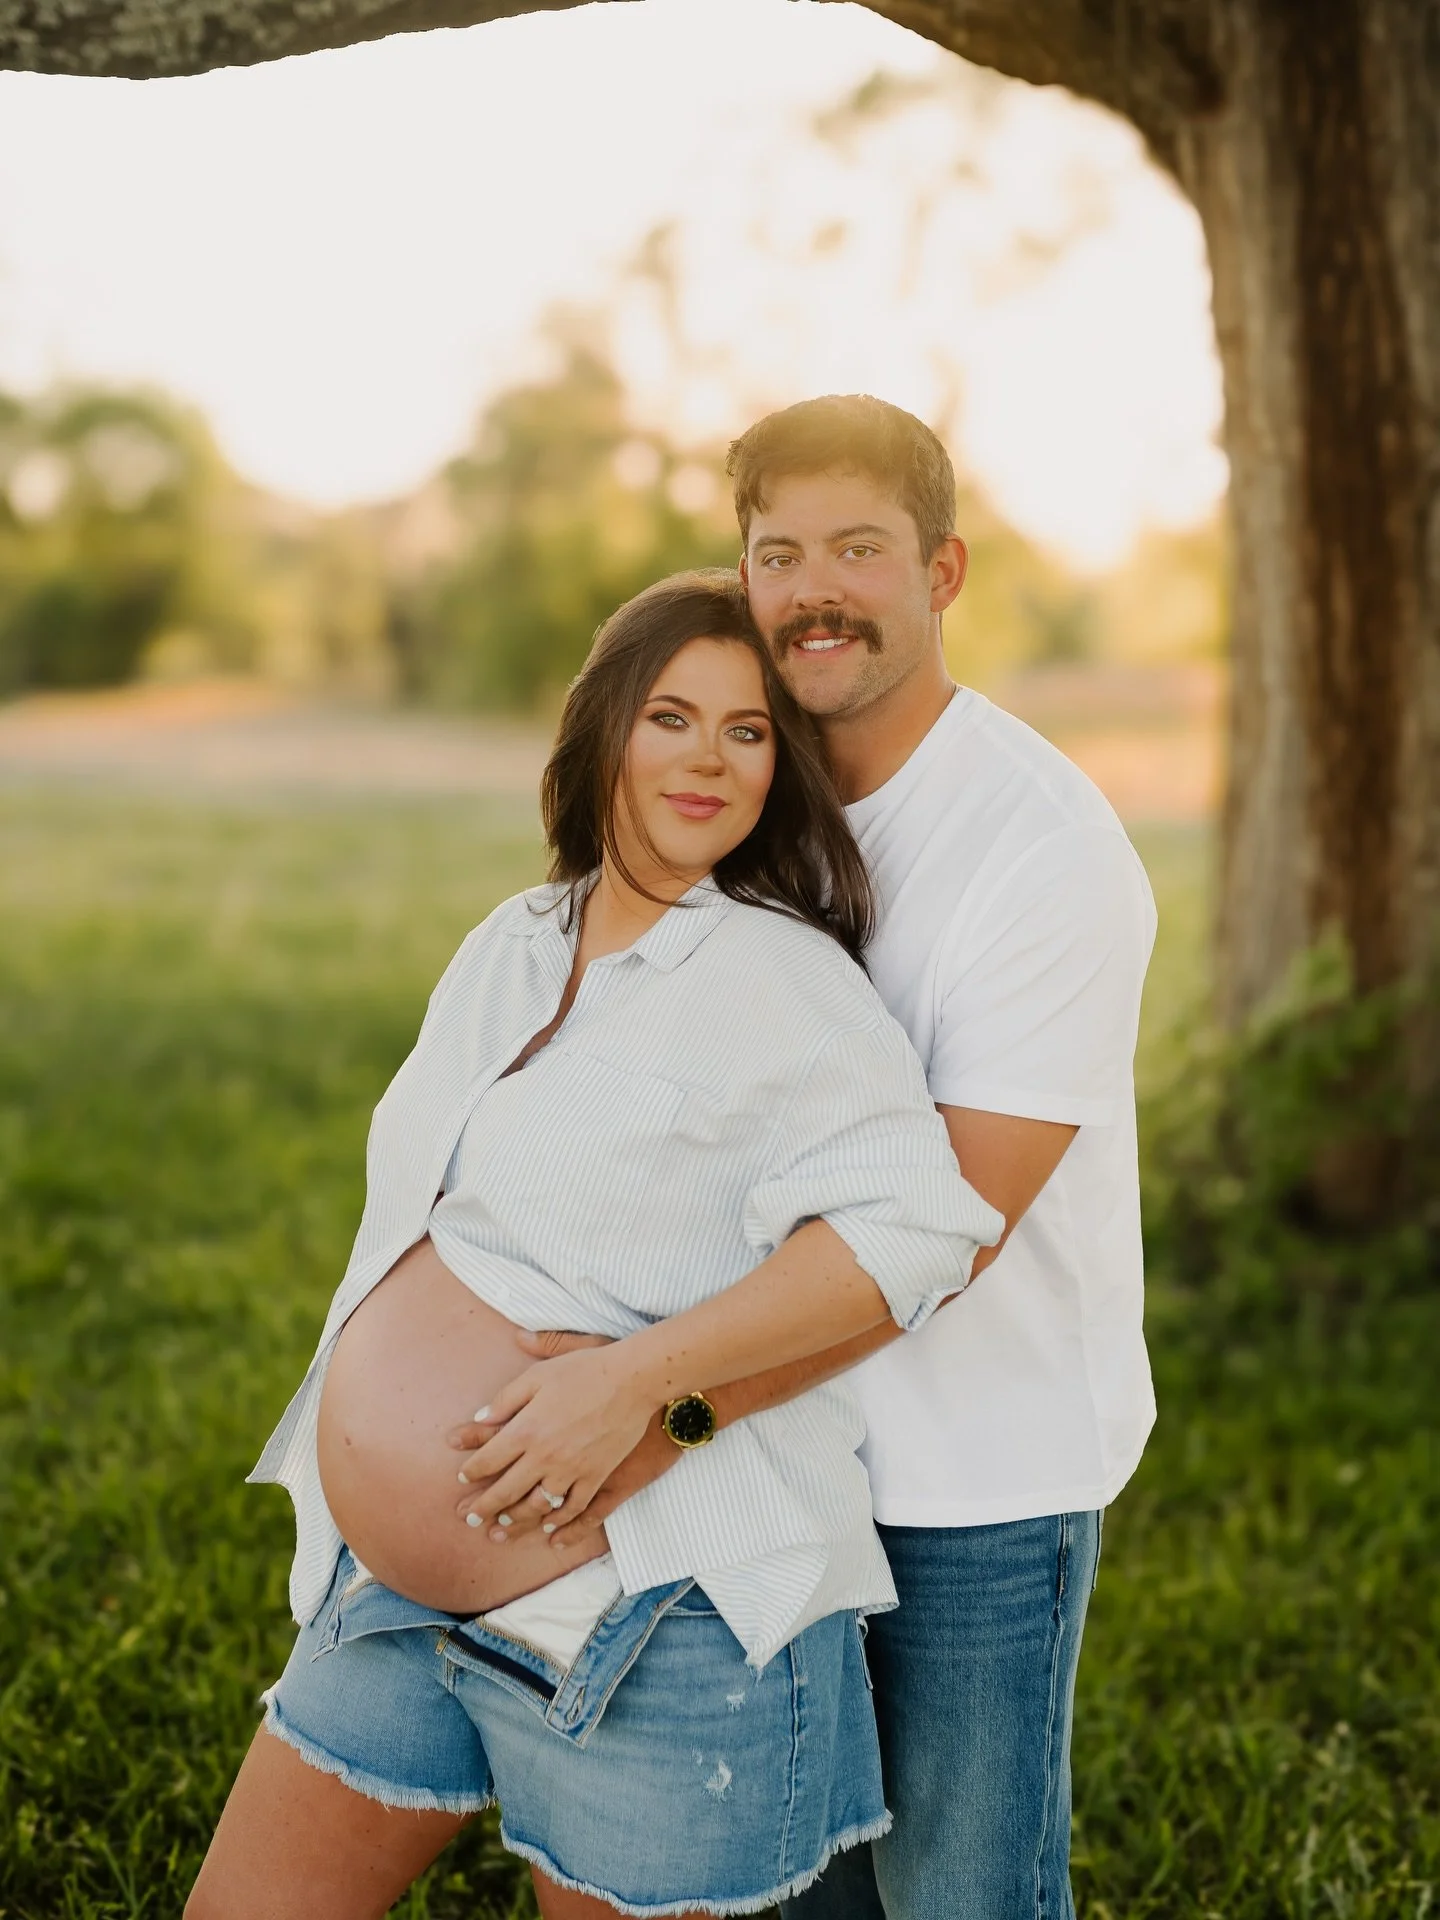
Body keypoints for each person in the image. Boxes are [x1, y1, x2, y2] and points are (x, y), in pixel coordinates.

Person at [186, 570, 1003, 1920]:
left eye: (747, 730)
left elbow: (919, 1229)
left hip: (644, 1610)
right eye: (672, 716)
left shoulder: (779, 979)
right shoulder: (513, 942)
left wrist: (642, 1384)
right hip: (393, 1593)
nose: (708, 757)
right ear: (604, 728)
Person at [480, 397, 1158, 1920]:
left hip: (972, 1480)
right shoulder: (744, 801)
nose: (813, 592)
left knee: (961, 1896)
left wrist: (648, 1399)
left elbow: (950, 1225)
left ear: (944, 571)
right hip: (774, 1464)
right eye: (778, 554)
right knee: (789, 1891)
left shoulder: (1041, 850)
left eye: (859, 548)